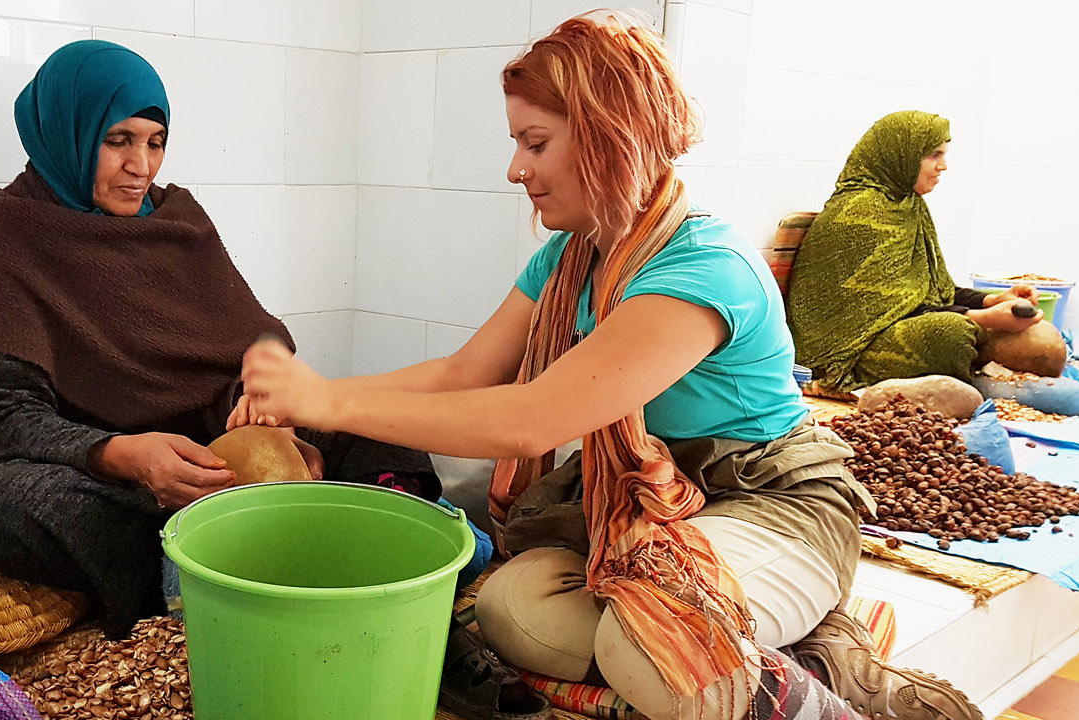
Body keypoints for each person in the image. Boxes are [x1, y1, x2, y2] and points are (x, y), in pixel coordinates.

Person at [234, 14, 982, 720]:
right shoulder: (569, 256)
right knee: (510, 612)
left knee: (656, 651)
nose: (514, 169)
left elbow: (532, 417)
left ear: (606, 138)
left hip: (769, 503)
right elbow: (468, 370)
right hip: (650, 502)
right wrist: (314, 395)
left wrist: (328, 406)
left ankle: (809, 675)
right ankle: (801, 651)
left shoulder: (702, 268)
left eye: (535, 142)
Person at [0, 39, 442, 639]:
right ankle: (255, 546)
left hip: (220, 439)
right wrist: (124, 456)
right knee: (6, 506)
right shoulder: (3, 237)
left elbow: (253, 333)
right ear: (66, 134)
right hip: (103, 468)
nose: (142, 167)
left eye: (155, 142)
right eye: (118, 140)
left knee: (374, 421)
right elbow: (11, 418)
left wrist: (268, 398)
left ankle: (370, 538)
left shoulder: (179, 218)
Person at [787, 110, 1041, 393]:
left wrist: (991, 300)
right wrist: (979, 318)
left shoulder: (909, 206)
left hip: (891, 329)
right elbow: (889, 311)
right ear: (901, 155)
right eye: (933, 155)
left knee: (1035, 337)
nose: (943, 166)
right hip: (847, 353)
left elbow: (929, 291)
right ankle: (977, 382)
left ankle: (979, 380)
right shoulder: (860, 214)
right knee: (953, 334)